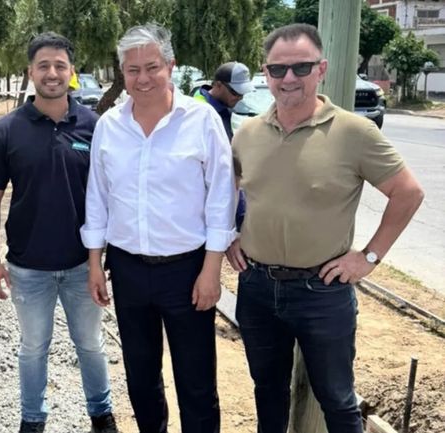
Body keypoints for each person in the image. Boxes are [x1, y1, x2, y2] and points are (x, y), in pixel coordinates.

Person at [227, 23, 425, 433]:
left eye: (301, 68)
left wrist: (368, 257)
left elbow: (408, 193)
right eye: (278, 70)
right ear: (265, 73)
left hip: (322, 292)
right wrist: (229, 235)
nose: (289, 79)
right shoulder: (247, 134)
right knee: (267, 391)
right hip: (257, 287)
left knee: (337, 398)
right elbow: (225, 192)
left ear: (322, 69)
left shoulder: (355, 132)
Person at [81, 24, 236, 433]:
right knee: (141, 378)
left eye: (152, 67)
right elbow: (97, 198)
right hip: (128, 269)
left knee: (197, 381)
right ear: (121, 73)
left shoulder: (201, 120)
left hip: (187, 271)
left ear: (171, 66)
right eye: (132, 70)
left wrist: (211, 270)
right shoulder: (109, 126)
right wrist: (95, 263)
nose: (143, 78)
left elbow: (222, 197)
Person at [0, 32, 118, 433]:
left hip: (82, 266)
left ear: (72, 72)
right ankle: (33, 420)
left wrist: (106, 260)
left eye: (60, 65)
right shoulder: (7, 130)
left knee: (90, 345)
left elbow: (110, 196)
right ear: (30, 72)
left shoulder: (95, 126)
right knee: (33, 348)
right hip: (28, 268)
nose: (52, 73)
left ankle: (101, 415)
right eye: (44, 66)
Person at [192, 61, 255, 230]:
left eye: (242, 93)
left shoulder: (222, 108)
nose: (240, 98)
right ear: (218, 85)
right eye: (235, 92)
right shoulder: (200, 112)